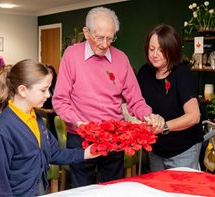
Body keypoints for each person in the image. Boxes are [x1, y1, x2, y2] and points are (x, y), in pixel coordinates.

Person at [52, 7, 163, 187]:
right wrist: (79, 123)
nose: (105, 44)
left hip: (114, 137)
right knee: (82, 190)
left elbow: (135, 100)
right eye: (100, 37)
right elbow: (60, 100)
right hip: (81, 137)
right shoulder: (71, 55)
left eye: (110, 38)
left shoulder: (121, 59)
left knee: (112, 188)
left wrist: (148, 116)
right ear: (86, 33)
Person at [0, 59, 99, 196]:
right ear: (22, 90)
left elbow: (53, 153)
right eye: (43, 90)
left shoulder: (37, 119)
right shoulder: (2, 129)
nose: (48, 95)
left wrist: (86, 153)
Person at [137, 24, 203, 172]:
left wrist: (163, 127)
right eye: (152, 49)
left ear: (172, 50)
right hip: (156, 148)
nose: (155, 54)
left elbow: (194, 116)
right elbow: (137, 103)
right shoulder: (144, 73)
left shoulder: (182, 74)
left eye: (161, 50)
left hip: (183, 149)